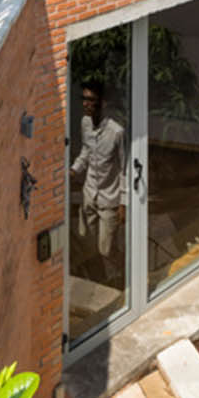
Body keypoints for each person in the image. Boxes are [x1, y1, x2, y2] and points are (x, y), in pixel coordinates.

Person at [70, 80, 126, 280]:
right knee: (89, 245)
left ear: (102, 102)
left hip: (109, 199)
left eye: (90, 100)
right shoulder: (85, 123)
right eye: (83, 99)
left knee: (107, 249)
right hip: (89, 195)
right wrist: (74, 170)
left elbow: (125, 169)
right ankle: (101, 280)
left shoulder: (116, 132)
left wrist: (123, 203)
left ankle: (128, 272)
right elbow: (86, 151)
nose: (85, 104)